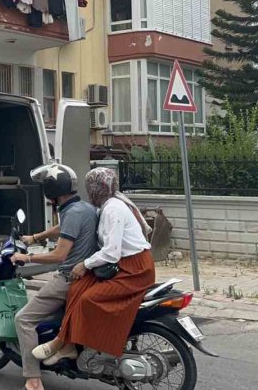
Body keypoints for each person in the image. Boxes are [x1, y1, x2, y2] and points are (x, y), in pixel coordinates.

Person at [32, 167, 155, 365]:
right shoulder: (107, 205)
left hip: (135, 269)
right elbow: (68, 226)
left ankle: (63, 342)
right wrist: (38, 236)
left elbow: (112, 251)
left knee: (89, 299)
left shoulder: (113, 209)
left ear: (98, 189)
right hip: (121, 265)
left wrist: (84, 264)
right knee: (77, 288)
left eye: (91, 189)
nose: (89, 193)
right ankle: (69, 346)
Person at [9, 164, 98, 390]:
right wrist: (36, 237)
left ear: (51, 190)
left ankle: (32, 379)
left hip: (68, 279)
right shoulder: (82, 208)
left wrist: (26, 258)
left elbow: (59, 255)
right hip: (87, 277)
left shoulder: (73, 213)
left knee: (23, 319)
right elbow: (63, 228)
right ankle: (64, 346)